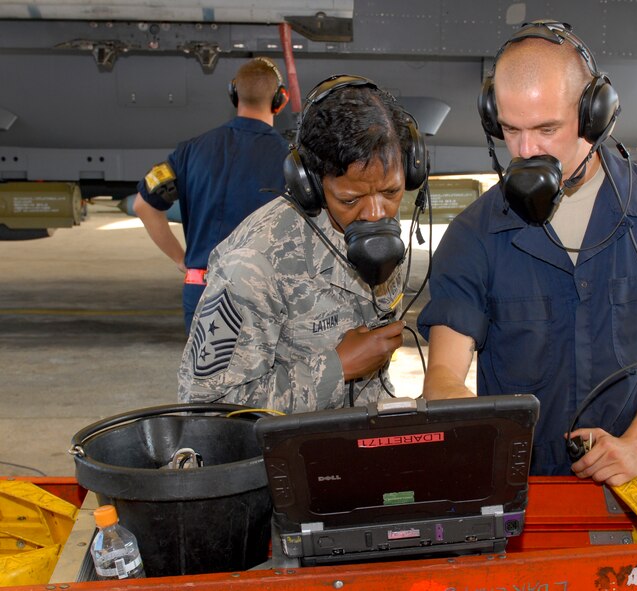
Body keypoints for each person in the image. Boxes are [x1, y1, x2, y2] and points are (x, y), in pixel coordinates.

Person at [418, 21, 637, 486]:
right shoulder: (472, 235)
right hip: (519, 485)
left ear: (595, 114)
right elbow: (441, 375)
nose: (525, 150)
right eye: (510, 130)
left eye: (546, 128)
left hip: (624, 478)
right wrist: (481, 436)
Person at [177, 74, 426, 412]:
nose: (375, 214)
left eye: (391, 192)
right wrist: (339, 367)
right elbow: (205, 407)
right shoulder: (253, 263)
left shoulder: (380, 230)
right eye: (351, 200)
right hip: (286, 459)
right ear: (309, 183)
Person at [134, 57, 291, 333]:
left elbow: (143, 206)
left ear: (233, 94)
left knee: (205, 375)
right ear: (280, 99)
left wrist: (180, 259)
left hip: (203, 289)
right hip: (266, 294)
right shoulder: (292, 160)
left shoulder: (190, 151)